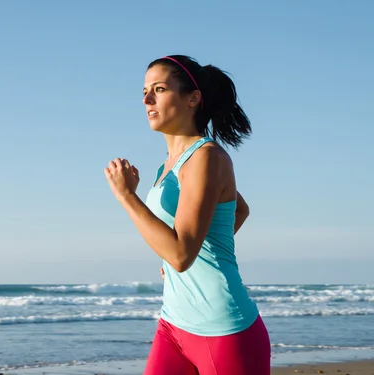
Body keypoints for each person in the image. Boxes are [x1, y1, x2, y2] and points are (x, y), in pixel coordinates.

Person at [103, 55, 271, 375]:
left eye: (160, 89)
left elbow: (181, 254)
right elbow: (239, 210)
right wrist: (176, 255)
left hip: (224, 331)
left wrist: (126, 195)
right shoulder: (168, 165)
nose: (146, 98)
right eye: (145, 91)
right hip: (174, 325)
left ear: (192, 98)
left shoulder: (207, 158)